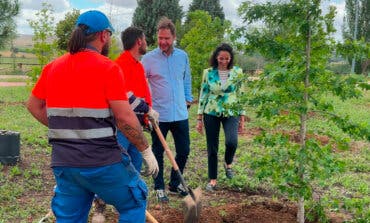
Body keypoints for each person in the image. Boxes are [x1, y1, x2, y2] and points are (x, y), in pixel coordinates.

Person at [26, 10, 158, 223]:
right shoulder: (108, 68)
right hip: (103, 162)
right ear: (104, 35)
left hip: (65, 164)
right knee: (135, 199)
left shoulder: (53, 67)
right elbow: (124, 118)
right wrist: (146, 149)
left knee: (69, 218)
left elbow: (33, 105)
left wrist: (67, 131)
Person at [141, 17, 193, 203]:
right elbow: (140, 83)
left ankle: (173, 183)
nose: (163, 42)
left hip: (180, 113)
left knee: (184, 150)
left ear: (174, 38)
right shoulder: (148, 59)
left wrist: (188, 98)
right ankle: (159, 187)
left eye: (167, 39)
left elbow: (187, 79)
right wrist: (146, 107)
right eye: (160, 38)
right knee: (157, 151)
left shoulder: (182, 56)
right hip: (159, 115)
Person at [196, 43, 245, 192]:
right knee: (212, 147)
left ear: (231, 59)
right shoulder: (208, 72)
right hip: (211, 112)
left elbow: (240, 94)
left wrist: (242, 117)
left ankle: (228, 163)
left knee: (232, 142)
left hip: (231, 112)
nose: (224, 61)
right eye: (221, 58)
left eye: (227, 59)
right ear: (216, 58)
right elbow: (203, 94)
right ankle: (213, 180)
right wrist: (199, 118)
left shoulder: (237, 72)